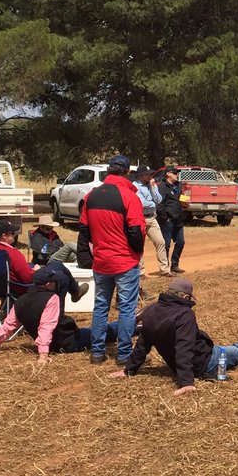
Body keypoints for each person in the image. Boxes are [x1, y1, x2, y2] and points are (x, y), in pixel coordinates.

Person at [112, 278, 238, 389]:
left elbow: (142, 344)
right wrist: (186, 382)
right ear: (185, 297)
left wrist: (129, 370)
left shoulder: (152, 311)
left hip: (183, 365)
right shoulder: (184, 314)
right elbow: (184, 347)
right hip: (206, 361)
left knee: (234, 350)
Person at [78, 154, 145, 367]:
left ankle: (97, 352)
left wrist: (97, 247)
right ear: (127, 172)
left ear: (108, 171)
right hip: (124, 261)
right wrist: (137, 253)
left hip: (101, 261)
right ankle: (124, 354)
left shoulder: (91, 196)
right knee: (126, 308)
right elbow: (136, 231)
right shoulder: (129, 197)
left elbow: (84, 229)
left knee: (100, 306)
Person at [0, 264, 107, 365]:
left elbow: (8, 325)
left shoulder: (20, 301)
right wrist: (43, 355)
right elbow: (46, 326)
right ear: (49, 284)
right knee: (107, 330)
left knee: (92, 330)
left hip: (54, 342)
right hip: (67, 342)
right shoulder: (52, 298)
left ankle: (77, 292)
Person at [0, 219, 34, 297]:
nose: (14, 235)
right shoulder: (12, 253)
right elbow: (28, 278)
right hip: (19, 290)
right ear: (4, 236)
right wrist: (37, 271)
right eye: (12, 233)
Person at [133, 165, 170, 276]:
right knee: (139, 245)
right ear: (140, 175)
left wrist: (153, 188)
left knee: (160, 242)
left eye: (150, 174)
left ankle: (165, 270)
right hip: (140, 218)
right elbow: (141, 202)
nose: (150, 176)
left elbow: (159, 200)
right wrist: (153, 204)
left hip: (152, 218)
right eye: (147, 174)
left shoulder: (152, 185)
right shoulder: (135, 186)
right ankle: (140, 272)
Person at [155, 166, 186, 274]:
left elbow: (181, 199)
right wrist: (165, 217)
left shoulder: (178, 186)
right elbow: (159, 204)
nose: (177, 175)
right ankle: (166, 268)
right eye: (175, 173)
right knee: (166, 244)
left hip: (179, 219)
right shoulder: (162, 187)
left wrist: (185, 204)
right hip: (167, 221)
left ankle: (175, 265)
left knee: (181, 242)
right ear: (168, 174)